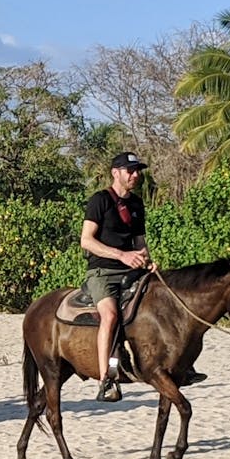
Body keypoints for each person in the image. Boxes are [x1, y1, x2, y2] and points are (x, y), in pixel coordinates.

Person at [80, 152, 152, 402]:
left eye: (137, 170)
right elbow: (86, 240)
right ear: (115, 173)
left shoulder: (137, 204)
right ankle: (106, 380)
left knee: (163, 300)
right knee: (110, 315)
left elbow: (140, 242)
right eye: (130, 170)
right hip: (103, 271)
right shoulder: (99, 200)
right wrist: (121, 255)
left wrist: (148, 260)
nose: (135, 175)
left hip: (132, 268)